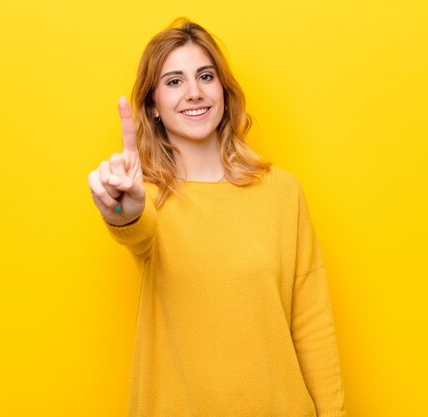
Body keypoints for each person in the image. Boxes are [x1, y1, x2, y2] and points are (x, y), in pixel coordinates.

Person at [88, 17, 347, 417]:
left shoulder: (281, 191)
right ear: (153, 106)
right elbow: (135, 232)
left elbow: (312, 325)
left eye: (205, 76)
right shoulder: (148, 199)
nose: (194, 93)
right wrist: (124, 212)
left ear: (223, 91)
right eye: (174, 81)